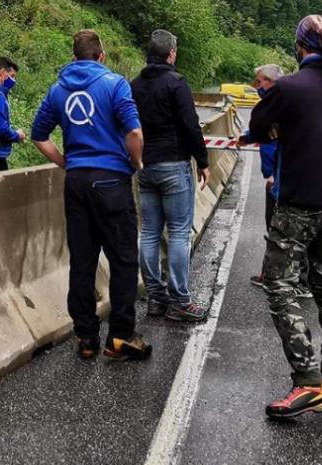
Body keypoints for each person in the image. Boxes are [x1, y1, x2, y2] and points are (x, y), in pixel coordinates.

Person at [240, 15, 322, 419]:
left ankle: (307, 380)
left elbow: (256, 124)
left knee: (279, 284)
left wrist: (275, 131)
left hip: (297, 204)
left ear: (300, 47)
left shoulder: (288, 87)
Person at [31, 30, 152, 362]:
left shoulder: (58, 89)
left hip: (77, 183)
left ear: (74, 58)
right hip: (111, 181)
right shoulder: (115, 85)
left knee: (82, 261)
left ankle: (86, 336)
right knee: (123, 260)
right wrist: (136, 162)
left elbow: (39, 135)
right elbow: (134, 132)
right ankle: (121, 336)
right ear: (102, 56)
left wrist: (67, 162)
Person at [131, 29, 212, 323]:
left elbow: (129, 126)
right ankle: (179, 300)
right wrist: (203, 161)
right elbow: (191, 126)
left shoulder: (134, 86)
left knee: (150, 232)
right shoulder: (176, 83)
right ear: (172, 54)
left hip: (146, 167)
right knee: (178, 232)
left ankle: (155, 297)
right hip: (174, 166)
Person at [247, 64, 283, 288]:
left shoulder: (274, 106)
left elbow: (270, 144)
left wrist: (270, 176)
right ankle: (301, 280)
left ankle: (270, 275)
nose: (256, 87)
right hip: (305, 178)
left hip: (282, 178)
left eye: (259, 82)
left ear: (271, 82)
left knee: (275, 228)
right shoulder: (294, 100)